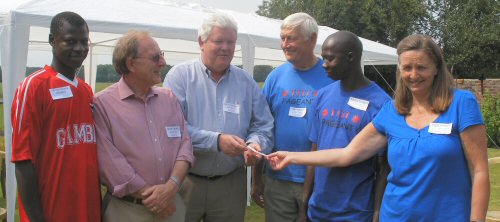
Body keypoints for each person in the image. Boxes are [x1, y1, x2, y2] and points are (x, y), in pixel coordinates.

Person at [267, 34, 490, 221]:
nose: (413, 75)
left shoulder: (461, 103)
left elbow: (479, 171)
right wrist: (291, 156)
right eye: (407, 68)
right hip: (396, 215)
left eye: (421, 67)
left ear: (436, 69)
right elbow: (347, 154)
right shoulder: (392, 112)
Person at [163, 12, 274, 222]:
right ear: (201, 42)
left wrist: (256, 145)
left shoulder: (246, 81)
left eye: (231, 42)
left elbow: (264, 124)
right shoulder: (180, 76)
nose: (226, 47)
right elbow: (173, 128)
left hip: (230, 184)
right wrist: (216, 141)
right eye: (219, 41)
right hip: (186, 180)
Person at [95, 31, 195, 222]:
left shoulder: (169, 99)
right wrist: (155, 197)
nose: (163, 62)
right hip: (127, 211)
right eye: (156, 57)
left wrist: (171, 188)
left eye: (162, 54)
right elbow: (109, 161)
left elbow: (185, 146)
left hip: (172, 206)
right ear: (131, 63)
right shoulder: (102, 105)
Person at [11, 11, 101, 222]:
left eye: (84, 42)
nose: (79, 48)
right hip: (52, 209)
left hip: (87, 207)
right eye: (70, 41)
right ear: (52, 40)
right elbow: (23, 160)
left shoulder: (86, 91)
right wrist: (35, 218)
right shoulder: (34, 86)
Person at [252, 12, 334, 222]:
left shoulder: (332, 77)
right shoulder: (275, 77)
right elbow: (262, 128)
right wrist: (256, 179)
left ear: (312, 39)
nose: (284, 44)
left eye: (291, 38)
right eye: (283, 38)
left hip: (321, 180)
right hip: (278, 179)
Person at [302, 31, 390, 222]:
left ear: (351, 57)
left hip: (356, 213)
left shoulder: (381, 104)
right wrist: (304, 206)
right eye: (323, 58)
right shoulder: (322, 96)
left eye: (330, 58)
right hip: (318, 211)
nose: (324, 64)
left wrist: (377, 214)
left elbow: (384, 168)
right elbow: (314, 154)